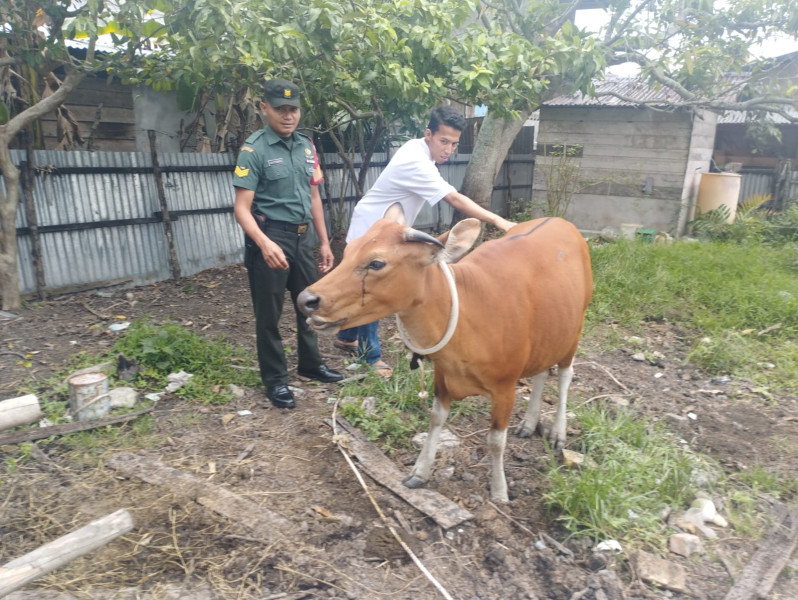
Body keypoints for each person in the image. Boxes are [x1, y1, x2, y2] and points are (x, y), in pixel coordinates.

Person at [335, 105, 516, 377]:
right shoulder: (415, 161)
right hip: (371, 229)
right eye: (443, 141)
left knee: (369, 284)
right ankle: (369, 356)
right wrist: (499, 221)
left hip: (384, 227)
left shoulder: (419, 150)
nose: (448, 149)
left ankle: (346, 336)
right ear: (428, 134)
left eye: (454, 144)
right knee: (374, 288)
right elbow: (454, 198)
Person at [233, 78, 343, 409]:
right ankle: (276, 380)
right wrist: (264, 244)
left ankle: (310, 365)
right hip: (270, 238)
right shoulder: (254, 150)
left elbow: (313, 197)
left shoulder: (306, 146)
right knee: (269, 315)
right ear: (264, 108)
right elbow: (241, 208)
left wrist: (324, 241)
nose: (287, 116)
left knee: (309, 304)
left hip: (302, 237)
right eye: (280, 109)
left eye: (293, 109)